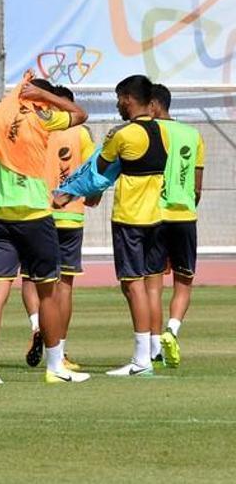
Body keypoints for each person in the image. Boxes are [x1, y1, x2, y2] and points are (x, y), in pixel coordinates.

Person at [0, 72, 90, 384]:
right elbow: (80, 114)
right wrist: (47, 96)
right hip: (35, 214)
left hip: (0, 215)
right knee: (48, 292)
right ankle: (55, 367)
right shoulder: (39, 116)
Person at [93, 75, 169, 377]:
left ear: (127, 98)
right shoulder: (164, 132)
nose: (117, 104)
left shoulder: (122, 136)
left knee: (132, 286)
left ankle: (141, 361)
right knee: (151, 287)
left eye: (118, 98)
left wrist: (72, 193)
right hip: (158, 218)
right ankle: (152, 350)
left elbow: (99, 170)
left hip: (130, 219)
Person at [21, 85, 97, 371]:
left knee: (30, 279)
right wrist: (91, 196)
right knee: (64, 286)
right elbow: (93, 169)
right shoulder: (80, 133)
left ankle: (36, 325)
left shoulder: (38, 126)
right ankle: (60, 352)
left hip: (38, 213)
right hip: (71, 216)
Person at [146, 83, 204, 369]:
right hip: (185, 218)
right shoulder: (194, 135)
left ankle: (155, 347)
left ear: (154, 105)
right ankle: (172, 330)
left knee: (153, 285)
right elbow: (197, 187)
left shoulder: (151, 131)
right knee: (183, 283)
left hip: (155, 217)